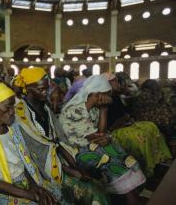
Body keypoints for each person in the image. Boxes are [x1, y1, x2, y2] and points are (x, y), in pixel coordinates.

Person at [14, 67, 109, 205]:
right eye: (40, 89)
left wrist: (75, 167)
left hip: (57, 162)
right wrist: (70, 170)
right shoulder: (19, 116)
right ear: (27, 89)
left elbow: (56, 142)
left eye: (47, 89)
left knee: (97, 187)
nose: (46, 93)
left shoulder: (45, 108)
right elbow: (30, 154)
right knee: (90, 193)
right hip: (38, 171)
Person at [0, 83, 62, 204]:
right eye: (7, 108)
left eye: (13, 106)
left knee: (54, 193)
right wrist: (30, 195)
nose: (12, 112)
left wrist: (33, 186)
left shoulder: (12, 127)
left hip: (21, 180)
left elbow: (24, 161)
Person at [59, 75, 146, 204]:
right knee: (107, 152)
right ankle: (130, 196)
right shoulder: (75, 110)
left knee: (112, 146)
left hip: (87, 145)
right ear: (97, 94)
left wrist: (102, 113)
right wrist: (104, 111)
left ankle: (129, 190)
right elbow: (98, 135)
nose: (109, 98)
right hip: (73, 153)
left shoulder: (93, 109)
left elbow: (100, 134)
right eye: (107, 94)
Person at [103, 73, 171, 177]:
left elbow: (126, 112)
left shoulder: (116, 96)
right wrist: (121, 122)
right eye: (114, 81)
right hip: (114, 129)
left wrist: (127, 118)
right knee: (142, 136)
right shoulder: (104, 98)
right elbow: (107, 125)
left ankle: (159, 159)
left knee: (151, 126)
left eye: (117, 80)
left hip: (125, 124)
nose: (118, 83)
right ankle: (146, 168)